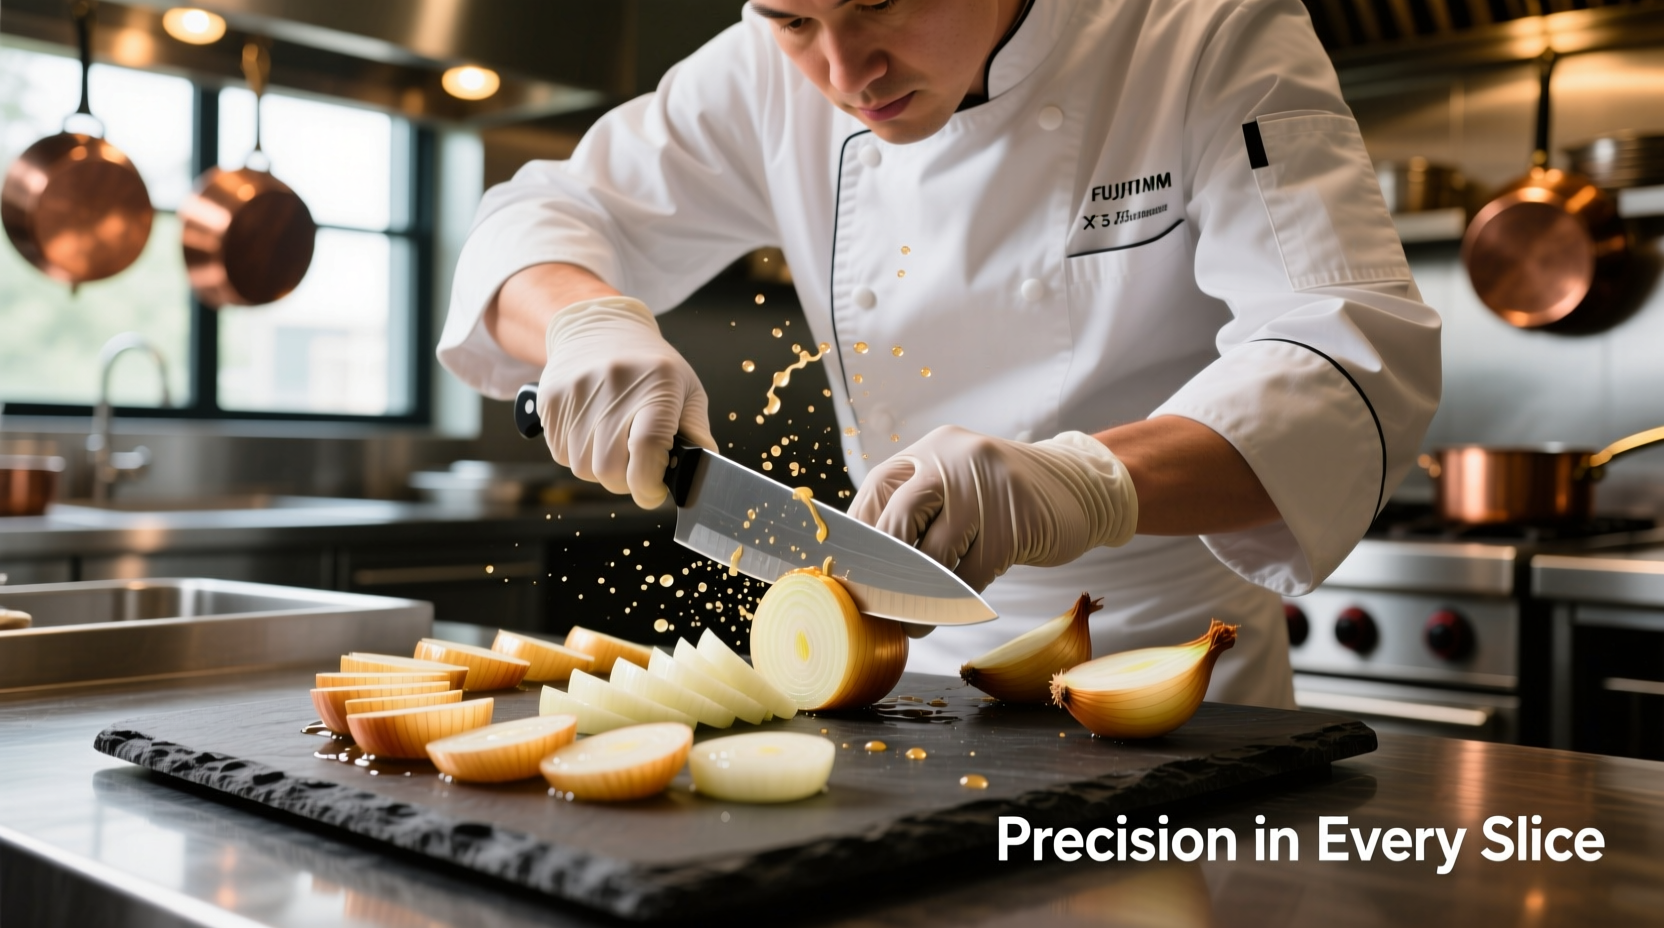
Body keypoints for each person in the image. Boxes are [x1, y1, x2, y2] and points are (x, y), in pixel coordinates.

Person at [438, 0, 1442, 709]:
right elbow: (539, 217)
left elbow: (1346, 349)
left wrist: (1085, 483)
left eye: (880, 3)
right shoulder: (755, 76)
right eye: (792, 21)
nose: (841, 72)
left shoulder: (1202, 32)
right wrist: (582, 322)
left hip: (1169, 677)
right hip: (899, 678)